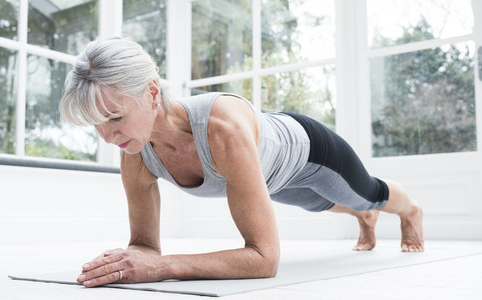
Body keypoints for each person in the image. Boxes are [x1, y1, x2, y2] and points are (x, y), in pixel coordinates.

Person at [59, 37, 424, 288]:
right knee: (324, 204)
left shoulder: (223, 129)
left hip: (310, 151)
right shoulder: (135, 152)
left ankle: (410, 213)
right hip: (271, 174)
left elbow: (265, 259)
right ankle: (361, 218)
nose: (106, 137)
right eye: (97, 124)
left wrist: (166, 266)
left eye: (115, 118)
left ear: (152, 92)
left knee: (368, 195)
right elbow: (144, 246)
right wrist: (130, 260)